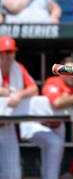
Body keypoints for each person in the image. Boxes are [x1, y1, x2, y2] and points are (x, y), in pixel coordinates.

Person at [20, 56, 73, 179]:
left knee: (53, 165)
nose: (72, 75)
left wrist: (68, 99)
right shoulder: (52, 81)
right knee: (55, 144)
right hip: (34, 123)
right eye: (68, 71)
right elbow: (57, 103)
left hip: (57, 125)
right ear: (61, 73)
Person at [0, 36, 39, 179]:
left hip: (6, 126)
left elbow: (34, 89)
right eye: (4, 52)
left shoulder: (18, 68)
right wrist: (6, 92)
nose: (8, 56)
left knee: (12, 174)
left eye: (11, 52)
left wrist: (20, 94)